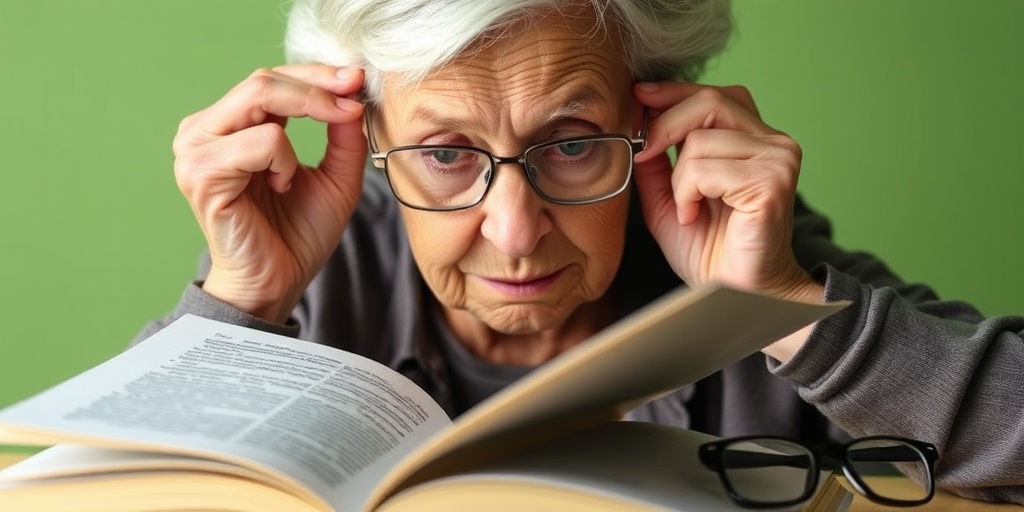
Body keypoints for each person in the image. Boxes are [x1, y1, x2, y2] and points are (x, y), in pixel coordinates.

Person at [139, 0, 1024, 504]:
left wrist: (785, 307)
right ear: (365, 137)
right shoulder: (319, 278)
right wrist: (239, 302)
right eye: (445, 155)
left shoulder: (739, 258)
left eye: (570, 142)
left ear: (650, 127)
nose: (516, 231)